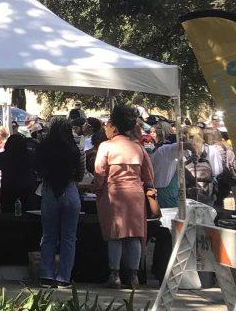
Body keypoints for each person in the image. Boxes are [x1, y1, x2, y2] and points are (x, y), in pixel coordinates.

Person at [92, 104, 155, 289]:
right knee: (135, 235)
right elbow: (149, 176)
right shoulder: (138, 148)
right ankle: (134, 276)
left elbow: (99, 173)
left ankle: (115, 275)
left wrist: (97, 188)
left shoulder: (106, 146)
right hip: (135, 194)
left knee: (115, 235)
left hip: (113, 194)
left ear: (115, 125)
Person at [34, 117, 85, 288]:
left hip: (49, 190)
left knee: (48, 236)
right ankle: (64, 277)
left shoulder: (42, 148)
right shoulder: (74, 149)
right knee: (69, 238)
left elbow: (37, 171)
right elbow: (79, 175)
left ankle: (46, 275)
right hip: (70, 190)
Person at [0, 133, 38, 214]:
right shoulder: (30, 155)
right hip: (27, 188)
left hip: (9, 188)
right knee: (27, 212)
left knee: (8, 212)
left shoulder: (3, 156)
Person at [149, 123, 182, 210]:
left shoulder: (165, 148)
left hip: (166, 188)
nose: (152, 134)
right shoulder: (156, 148)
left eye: (154, 132)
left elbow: (184, 146)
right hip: (157, 188)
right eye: (151, 132)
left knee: (167, 215)